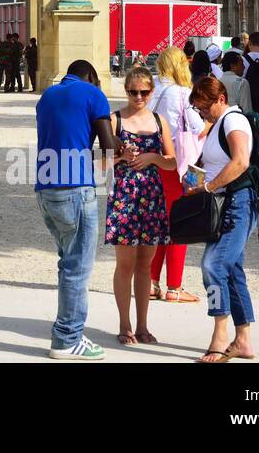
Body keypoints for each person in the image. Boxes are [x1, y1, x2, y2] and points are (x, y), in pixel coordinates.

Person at [34, 59, 116, 360]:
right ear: (92, 76)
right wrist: (123, 146)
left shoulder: (47, 96)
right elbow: (108, 147)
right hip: (75, 188)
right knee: (77, 267)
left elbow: (69, 137)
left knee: (67, 262)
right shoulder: (93, 94)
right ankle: (67, 338)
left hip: (46, 188)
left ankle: (65, 332)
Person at [187, 76, 257, 362]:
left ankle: (220, 332)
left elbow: (241, 161)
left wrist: (208, 186)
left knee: (213, 264)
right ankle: (243, 340)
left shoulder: (233, 121)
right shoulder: (218, 122)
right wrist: (193, 175)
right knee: (232, 269)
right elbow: (213, 162)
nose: (202, 114)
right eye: (198, 109)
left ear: (221, 99)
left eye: (205, 107)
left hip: (237, 203)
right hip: (225, 203)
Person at [107, 67, 176, 346]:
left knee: (145, 265)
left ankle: (143, 325)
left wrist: (152, 157)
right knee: (125, 264)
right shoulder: (114, 120)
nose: (138, 96)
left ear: (151, 91)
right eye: (133, 92)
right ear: (126, 91)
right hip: (124, 195)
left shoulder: (159, 121)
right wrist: (121, 156)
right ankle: (125, 325)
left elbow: (172, 161)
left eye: (144, 92)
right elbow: (94, 160)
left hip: (151, 196)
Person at [145, 47, 205, 303]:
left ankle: (151, 281)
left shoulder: (149, 90)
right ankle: (174, 287)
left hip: (150, 162)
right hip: (177, 165)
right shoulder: (182, 93)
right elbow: (198, 128)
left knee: (158, 225)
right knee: (179, 224)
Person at [219, 51, 254, 115]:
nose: (244, 67)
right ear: (233, 66)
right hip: (238, 121)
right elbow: (247, 111)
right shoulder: (242, 82)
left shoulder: (218, 82)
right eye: (241, 64)